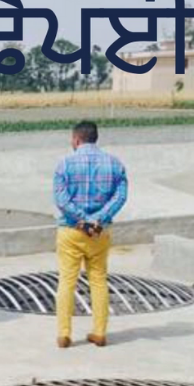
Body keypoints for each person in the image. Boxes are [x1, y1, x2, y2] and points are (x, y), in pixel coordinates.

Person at [52, 120, 129, 348]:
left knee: (67, 281)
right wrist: (99, 219)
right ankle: (99, 332)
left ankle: (64, 334)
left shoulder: (64, 164)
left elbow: (61, 199)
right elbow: (120, 196)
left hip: (70, 230)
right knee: (98, 280)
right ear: (95, 138)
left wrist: (82, 219)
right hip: (99, 233)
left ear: (76, 139)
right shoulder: (115, 164)